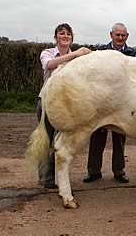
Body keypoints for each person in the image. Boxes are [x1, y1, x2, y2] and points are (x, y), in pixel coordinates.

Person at [37, 23, 92, 188]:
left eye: (68, 34)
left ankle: (62, 177)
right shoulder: (47, 53)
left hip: (69, 103)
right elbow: (50, 65)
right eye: (62, 33)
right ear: (56, 37)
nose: (65, 36)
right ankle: (46, 178)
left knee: (63, 140)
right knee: (46, 139)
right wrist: (76, 54)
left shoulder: (77, 57)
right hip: (47, 101)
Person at [83, 23, 136, 184]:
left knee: (120, 139)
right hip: (101, 102)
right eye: (117, 35)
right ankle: (93, 171)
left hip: (122, 103)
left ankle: (119, 171)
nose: (120, 38)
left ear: (127, 36)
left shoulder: (134, 54)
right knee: (96, 138)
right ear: (111, 35)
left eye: (123, 35)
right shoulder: (100, 52)